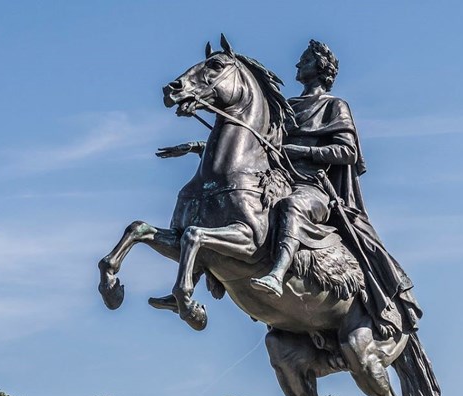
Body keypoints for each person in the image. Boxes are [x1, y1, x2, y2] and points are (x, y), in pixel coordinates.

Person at [156, 40, 422, 335]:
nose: (297, 65)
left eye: (305, 60)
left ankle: (277, 271)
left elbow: (347, 152)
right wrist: (197, 146)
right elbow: (255, 146)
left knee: (291, 205)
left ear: (321, 68)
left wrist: (302, 151)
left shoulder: (334, 106)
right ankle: (194, 275)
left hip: (313, 187)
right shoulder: (288, 107)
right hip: (278, 179)